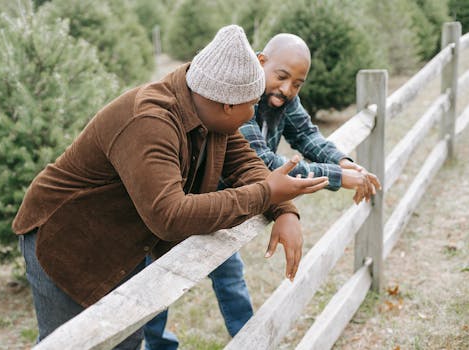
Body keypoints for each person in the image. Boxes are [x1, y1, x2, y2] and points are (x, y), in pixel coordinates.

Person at [12, 25, 329, 350]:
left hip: (123, 239)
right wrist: (265, 194)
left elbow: (247, 166)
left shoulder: (210, 107)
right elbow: (170, 215)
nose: (253, 112)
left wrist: (284, 210)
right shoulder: (149, 121)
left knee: (126, 338)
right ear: (229, 106)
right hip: (65, 239)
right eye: (252, 104)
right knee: (69, 343)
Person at [144, 33, 382, 349]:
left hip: (232, 207)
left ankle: (249, 341)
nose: (287, 89)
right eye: (282, 77)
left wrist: (342, 161)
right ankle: (158, 344)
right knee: (157, 278)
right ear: (260, 62)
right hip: (194, 197)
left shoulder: (285, 99)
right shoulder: (239, 96)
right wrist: (336, 176)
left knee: (231, 276)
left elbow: (307, 136)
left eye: (297, 84)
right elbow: (262, 161)